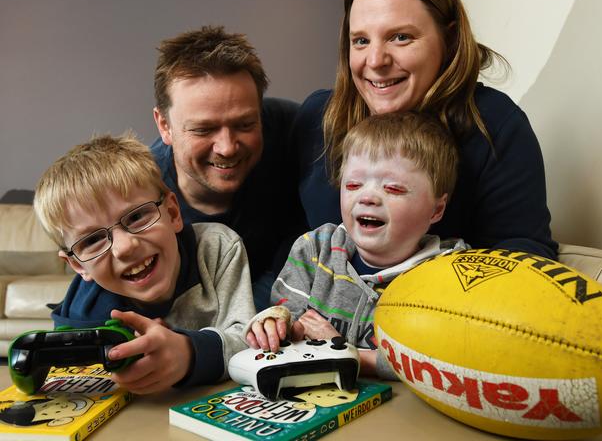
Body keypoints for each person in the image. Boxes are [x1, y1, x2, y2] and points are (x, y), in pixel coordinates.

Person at [291, 0, 557, 259]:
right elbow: (285, 243)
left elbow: (524, 256)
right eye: (361, 40)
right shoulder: (317, 117)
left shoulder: (496, 126)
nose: (376, 61)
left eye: (400, 37)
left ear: (450, 39)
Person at [246, 112, 468, 379]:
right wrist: (272, 324)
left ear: (436, 209)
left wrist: (343, 351)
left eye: (393, 189)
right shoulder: (315, 250)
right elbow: (287, 317)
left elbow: (436, 364)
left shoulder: (448, 276)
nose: (368, 197)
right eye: (353, 184)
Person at [33, 134, 256, 394]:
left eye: (137, 216)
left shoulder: (217, 248)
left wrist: (189, 353)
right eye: (92, 240)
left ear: (173, 213)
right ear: (78, 265)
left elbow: (251, 341)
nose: (125, 247)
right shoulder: (83, 311)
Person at [151, 25, 305, 311]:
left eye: (245, 125)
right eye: (203, 129)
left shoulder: (292, 131)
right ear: (165, 126)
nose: (227, 147)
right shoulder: (140, 194)